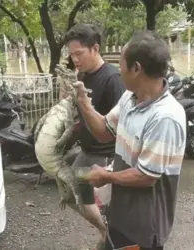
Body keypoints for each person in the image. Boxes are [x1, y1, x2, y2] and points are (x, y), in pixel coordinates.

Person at [72, 31, 187, 250]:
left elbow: (146, 176)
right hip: (121, 215)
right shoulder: (129, 98)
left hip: (143, 227)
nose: (118, 70)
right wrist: (83, 103)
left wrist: (105, 175)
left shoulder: (165, 116)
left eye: (121, 63)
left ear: (136, 68)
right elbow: (104, 131)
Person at [62, 23, 126, 247]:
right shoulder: (83, 75)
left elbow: (121, 124)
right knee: (69, 190)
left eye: (79, 53)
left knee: (103, 203)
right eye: (72, 55)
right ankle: (104, 229)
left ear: (95, 49)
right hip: (86, 151)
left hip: (105, 156)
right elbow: (80, 112)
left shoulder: (112, 79)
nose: (75, 59)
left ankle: (111, 236)